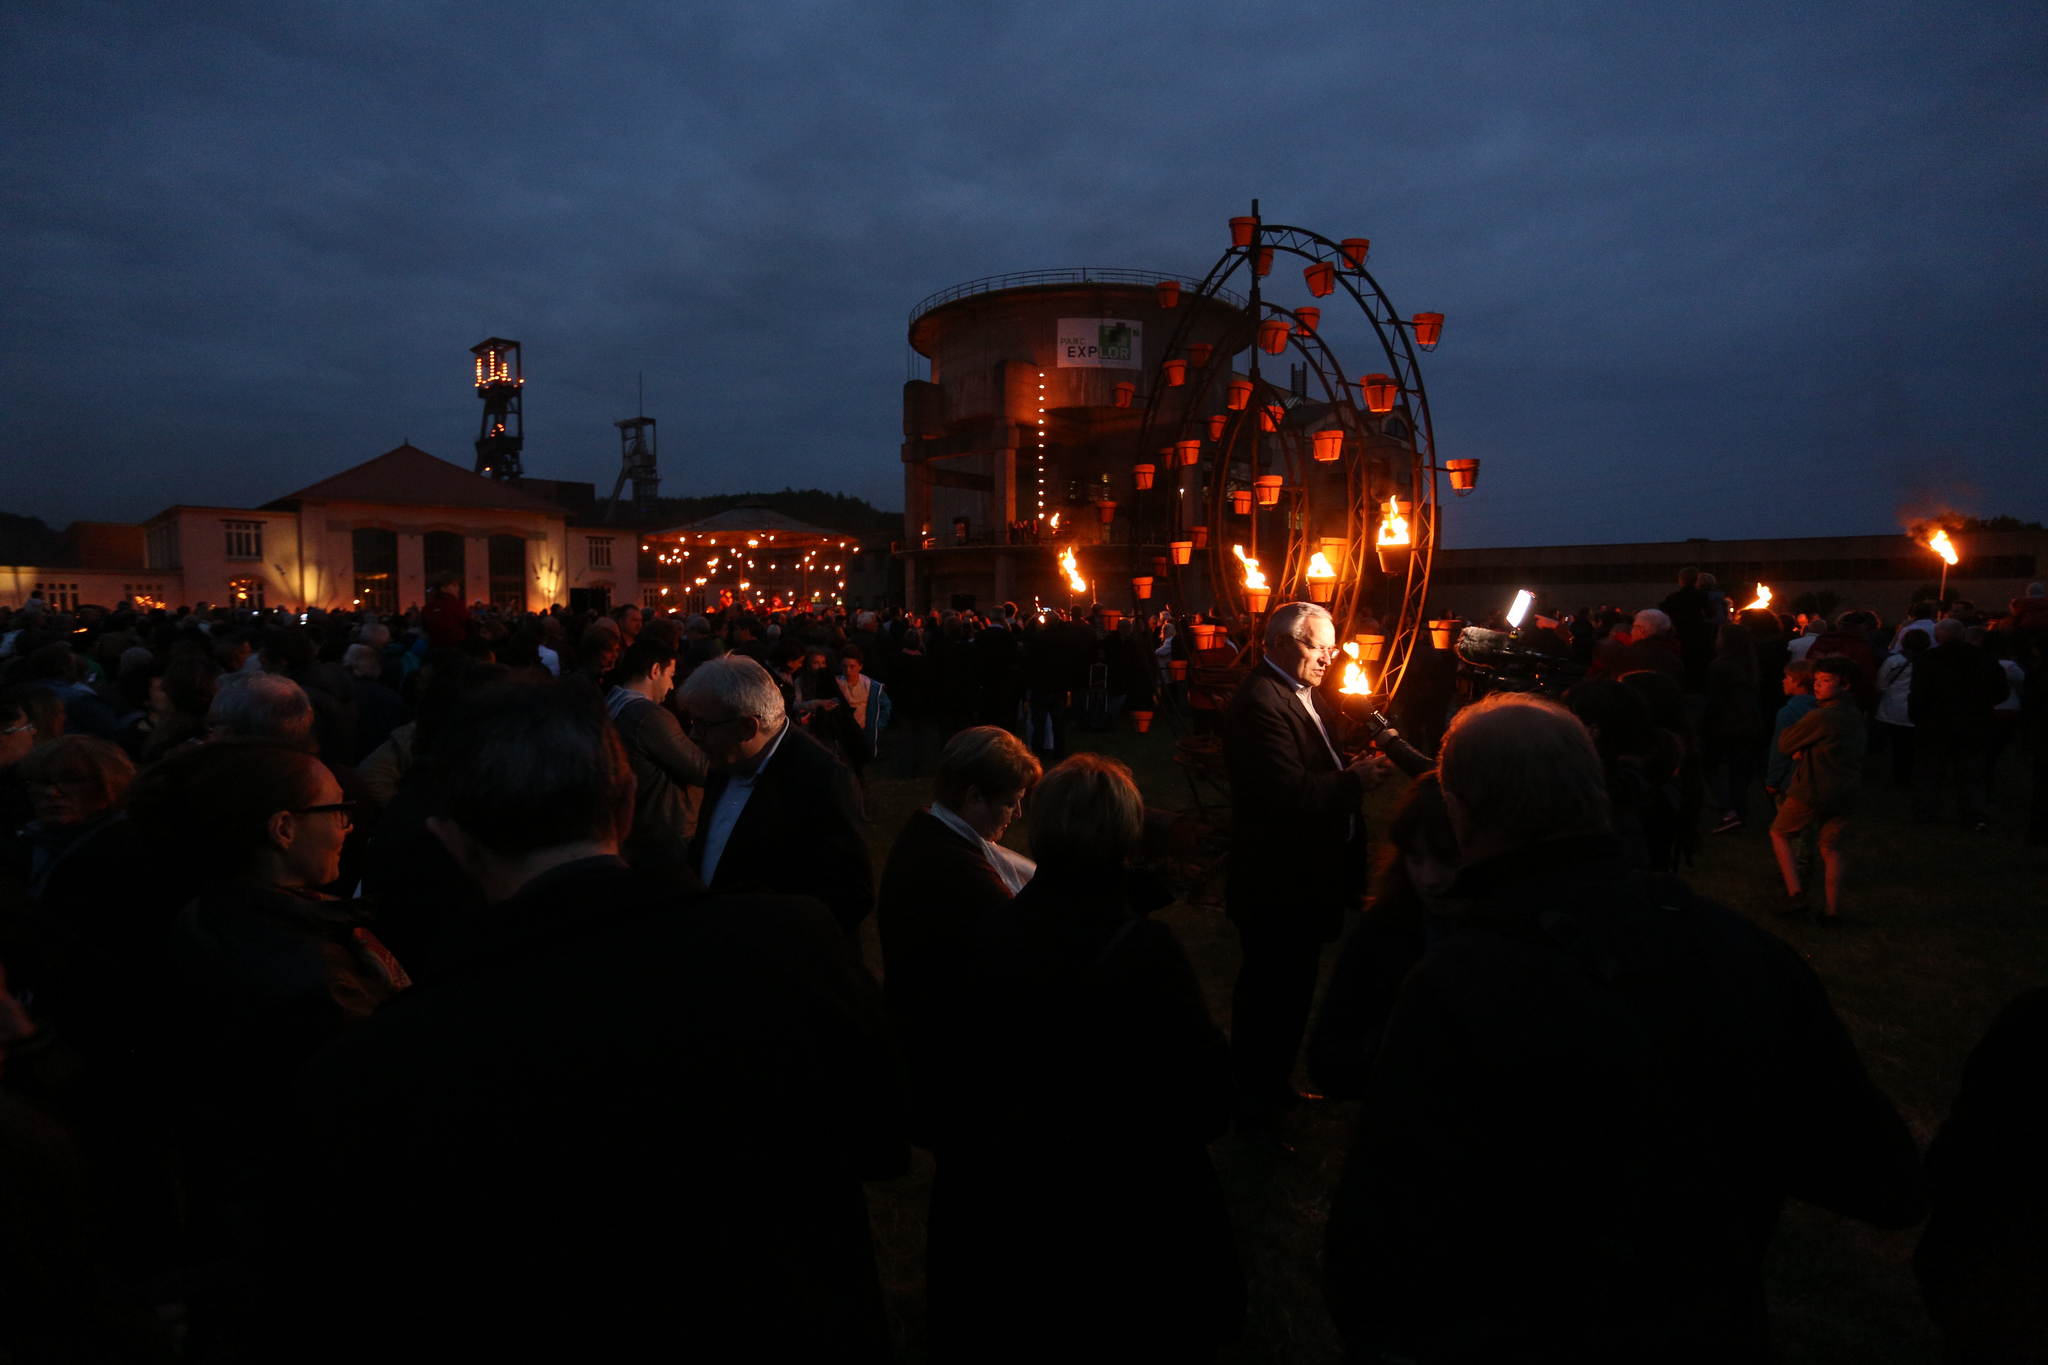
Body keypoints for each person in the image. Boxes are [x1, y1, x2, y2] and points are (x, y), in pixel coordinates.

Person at [277, 681, 906, 1361]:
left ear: (452, 840)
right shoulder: (791, 949)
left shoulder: (382, 1065)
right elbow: (881, 1137)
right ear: (629, 804)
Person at [1324, 692, 1923, 1362]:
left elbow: (1375, 1252)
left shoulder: (1462, 985)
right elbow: (1882, 1174)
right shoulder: (1736, 949)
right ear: (1594, 793)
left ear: (1460, 812)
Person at [927, 754, 1241, 1360]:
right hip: (1127, 1220)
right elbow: (1206, 1096)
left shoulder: (992, 933)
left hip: (1014, 1219)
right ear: (1126, 835)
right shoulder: (1145, 950)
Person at [1224, 601, 1381, 1125]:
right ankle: (1254, 1095)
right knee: (1271, 993)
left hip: (1304, 879)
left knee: (1290, 991)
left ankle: (1274, 1084)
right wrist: (1353, 781)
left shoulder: (1302, 694)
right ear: (1279, 643)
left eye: (1332, 647)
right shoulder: (1262, 702)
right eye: (1317, 645)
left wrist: (1347, 770)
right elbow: (1286, 793)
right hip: (1278, 882)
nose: (1328, 657)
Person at [876, 726, 1040, 1140]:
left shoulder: (932, 835)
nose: (1016, 816)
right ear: (972, 796)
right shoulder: (955, 868)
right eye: (1009, 803)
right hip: (953, 1065)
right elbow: (1021, 942)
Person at [681, 655, 873, 936]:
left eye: (702, 725)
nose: (693, 736)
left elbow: (850, 895)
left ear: (748, 727)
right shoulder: (727, 759)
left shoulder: (822, 780)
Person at [603, 635, 708, 883]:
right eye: (670, 675)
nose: (671, 686)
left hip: (637, 828)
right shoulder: (648, 716)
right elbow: (701, 768)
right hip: (665, 830)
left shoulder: (611, 703)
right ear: (655, 670)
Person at [1770, 656, 1863, 921]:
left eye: (1826, 681)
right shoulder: (1854, 714)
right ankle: (1833, 910)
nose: (1818, 686)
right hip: (1846, 788)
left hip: (1813, 787)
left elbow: (1786, 742)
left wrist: (1801, 747)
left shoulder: (1821, 716)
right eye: (1817, 680)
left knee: (1779, 833)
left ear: (1844, 685)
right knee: (1831, 847)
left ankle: (1795, 893)